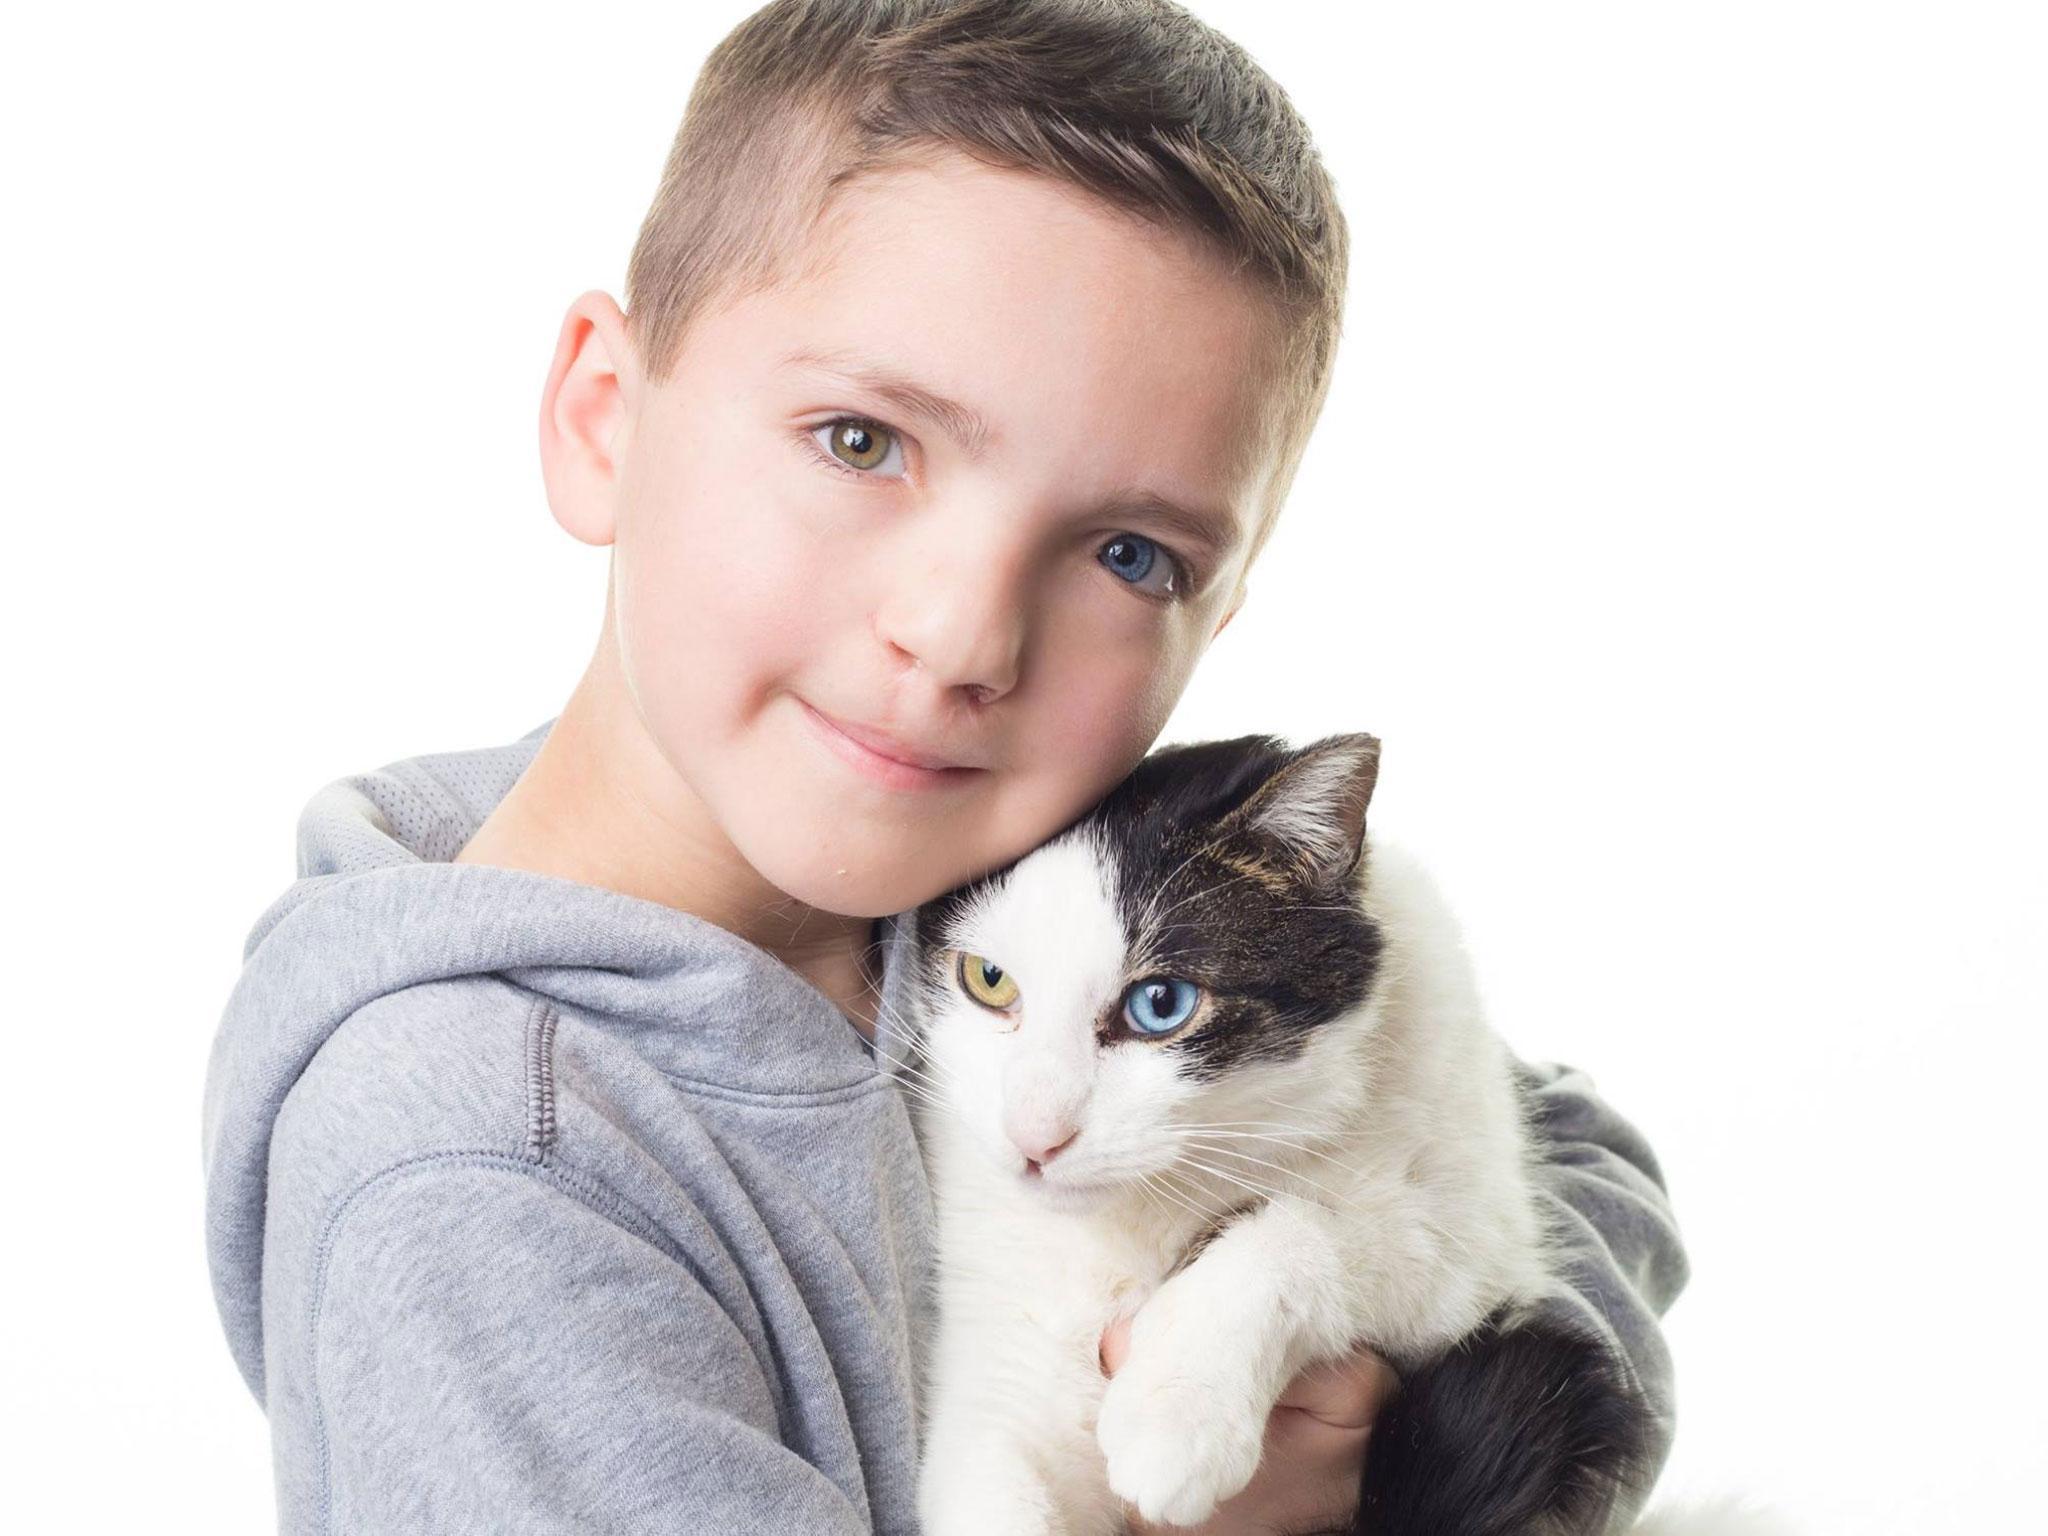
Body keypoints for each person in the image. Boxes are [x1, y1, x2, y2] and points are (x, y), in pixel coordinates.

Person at [200, 2, 1690, 1530]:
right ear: (603, 420)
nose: (966, 634)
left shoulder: (1003, 879)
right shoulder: (482, 1179)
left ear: (1217, 616)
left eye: (1128, 552)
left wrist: (1401, 1419)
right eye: (860, 440)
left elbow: (1581, 1163)